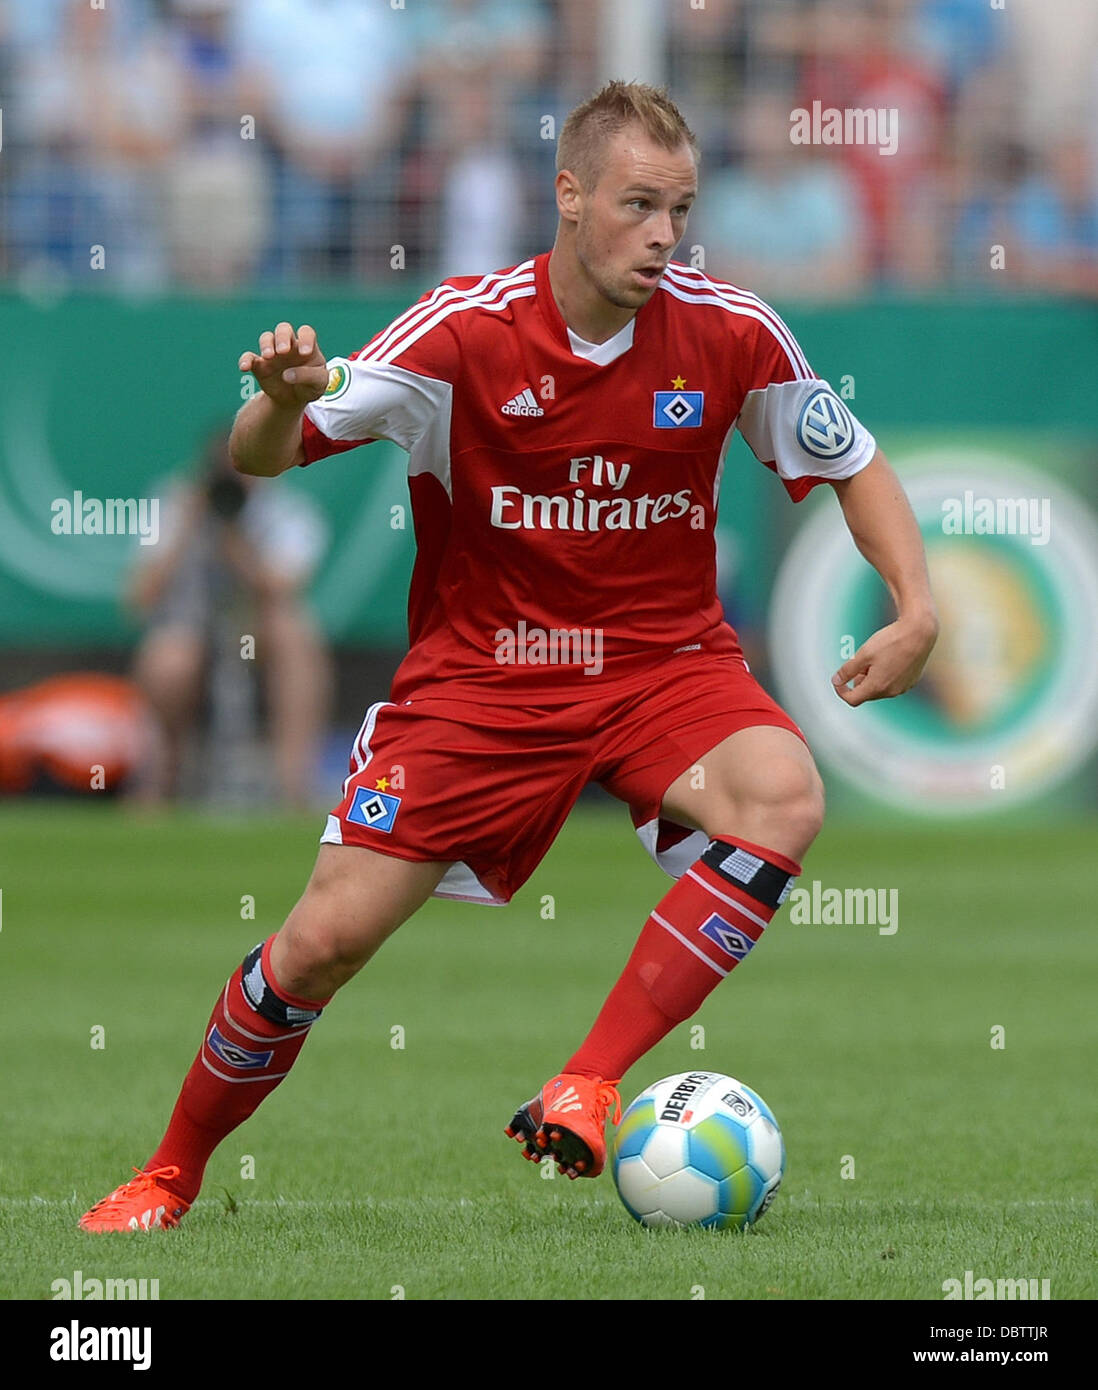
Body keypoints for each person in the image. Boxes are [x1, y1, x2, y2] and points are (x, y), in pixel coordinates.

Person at [79, 81, 938, 1231]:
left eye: (680, 208)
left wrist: (915, 603)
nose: (664, 235)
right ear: (569, 195)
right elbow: (262, 452)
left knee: (781, 794)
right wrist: (279, 402)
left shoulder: (729, 328)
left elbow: (853, 458)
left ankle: (588, 1079)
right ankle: (170, 1172)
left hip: (662, 665)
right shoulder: (461, 330)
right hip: (486, 681)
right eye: (639, 205)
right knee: (321, 944)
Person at [127, 426, 330, 808]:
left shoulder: (286, 511)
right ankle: (163, 779)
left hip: (253, 629)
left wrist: (236, 543)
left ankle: (293, 784)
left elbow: (283, 588)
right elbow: (139, 599)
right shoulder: (174, 506)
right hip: (191, 628)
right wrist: (186, 528)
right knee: (171, 660)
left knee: (294, 635)